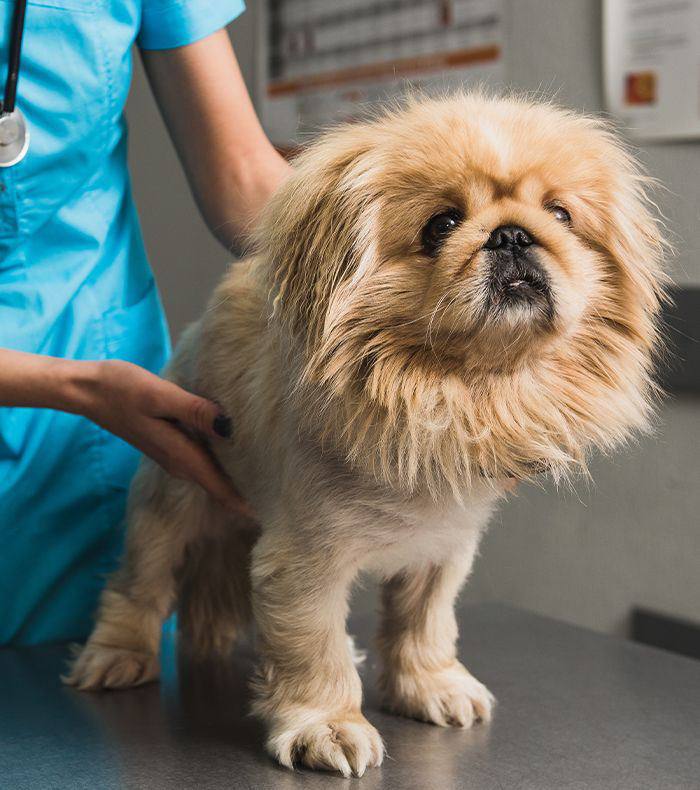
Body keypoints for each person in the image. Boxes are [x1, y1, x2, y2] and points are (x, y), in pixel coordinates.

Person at [0, 1, 290, 645]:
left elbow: (245, 180)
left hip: (95, 404)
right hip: (96, 394)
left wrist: (400, 300)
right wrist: (77, 388)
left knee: (105, 693)